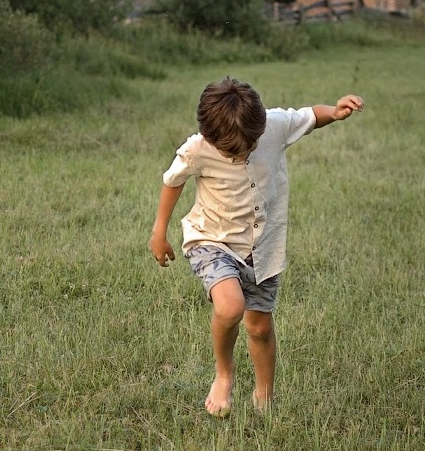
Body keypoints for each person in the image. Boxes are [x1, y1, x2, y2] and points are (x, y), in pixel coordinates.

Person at [149, 77, 363, 416]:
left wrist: (334, 113)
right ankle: (224, 372)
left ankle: (264, 395)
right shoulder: (197, 149)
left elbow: (308, 115)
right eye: (232, 151)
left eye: (248, 146)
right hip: (211, 239)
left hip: (263, 248)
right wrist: (159, 232)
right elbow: (172, 182)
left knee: (259, 327)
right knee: (231, 307)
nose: (242, 154)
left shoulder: (273, 125)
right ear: (210, 136)